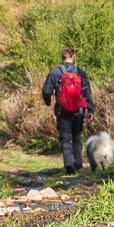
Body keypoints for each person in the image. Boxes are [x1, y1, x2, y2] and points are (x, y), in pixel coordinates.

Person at [40, 47, 96, 175]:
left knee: (65, 138)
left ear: (62, 57)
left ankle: (69, 167)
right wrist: (90, 110)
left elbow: (46, 91)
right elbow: (87, 92)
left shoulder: (55, 72)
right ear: (73, 57)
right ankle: (78, 163)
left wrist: (48, 101)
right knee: (77, 136)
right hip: (79, 110)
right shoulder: (81, 73)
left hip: (62, 110)